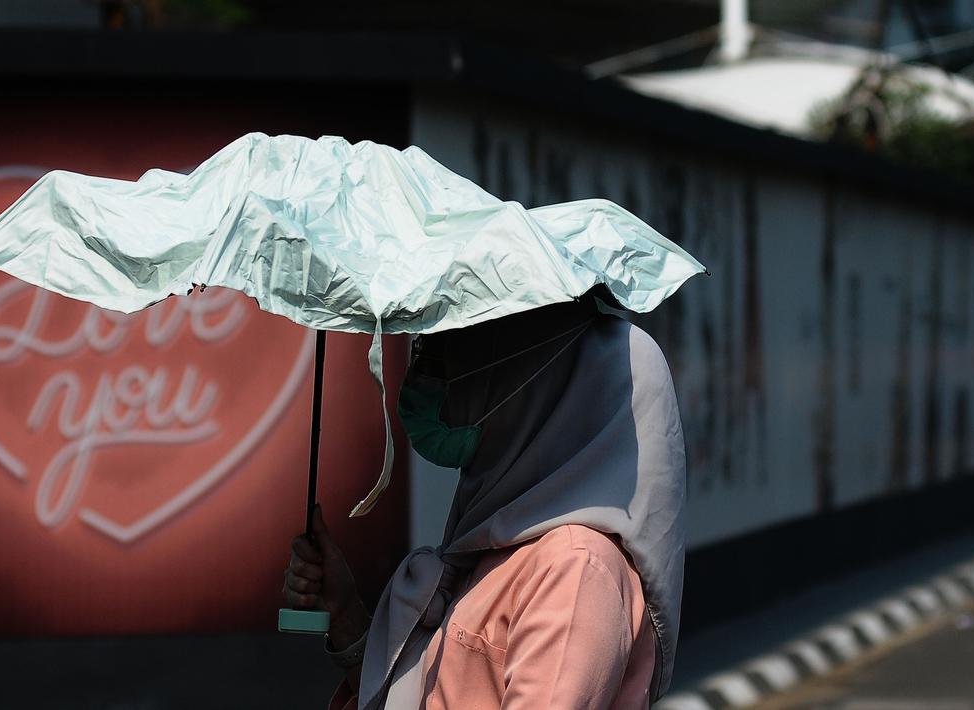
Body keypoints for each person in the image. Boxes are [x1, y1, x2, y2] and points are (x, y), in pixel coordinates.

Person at [283, 293, 686, 709]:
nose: (429, 377)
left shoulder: (574, 569)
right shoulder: (494, 538)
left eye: (452, 354)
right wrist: (346, 613)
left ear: (535, 394)